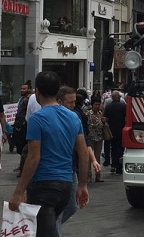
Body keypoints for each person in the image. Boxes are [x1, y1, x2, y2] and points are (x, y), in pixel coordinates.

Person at [9, 71, 89, 237]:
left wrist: (18, 191)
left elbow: (33, 157)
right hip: (66, 184)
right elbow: (83, 154)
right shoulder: (73, 117)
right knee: (49, 229)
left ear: (37, 91)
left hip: (43, 185)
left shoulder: (37, 119)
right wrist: (82, 185)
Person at [55, 86, 100, 237]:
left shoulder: (75, 116)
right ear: (59, 101)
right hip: (56, 171)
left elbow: (84, 144)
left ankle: (51, 226)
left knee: (71, 207)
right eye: (70, 102)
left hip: (71, 168)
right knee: (58, 209)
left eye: (75, 102)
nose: (73, 105)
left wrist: (93, 160)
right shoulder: (47, 117)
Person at [104, 91, 126, 174]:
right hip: (121, 130)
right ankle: (119, 168)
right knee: (120, 149)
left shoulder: (109, 106)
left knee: (113, 149)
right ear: (119, 97)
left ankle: (113, 165)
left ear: (112, 98)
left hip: (111, 130)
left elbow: (105, 118)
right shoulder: (123, 106)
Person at [86, 97, 105, 182]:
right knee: (89, 158)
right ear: (92, 105)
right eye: (95, 104)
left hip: (99, 138)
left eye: (98, 104)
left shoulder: (101, 114)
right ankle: (88, 175)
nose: (97, 106)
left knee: (97, 157)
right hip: (90, 138)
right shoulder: (88, 114)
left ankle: (98, 175)